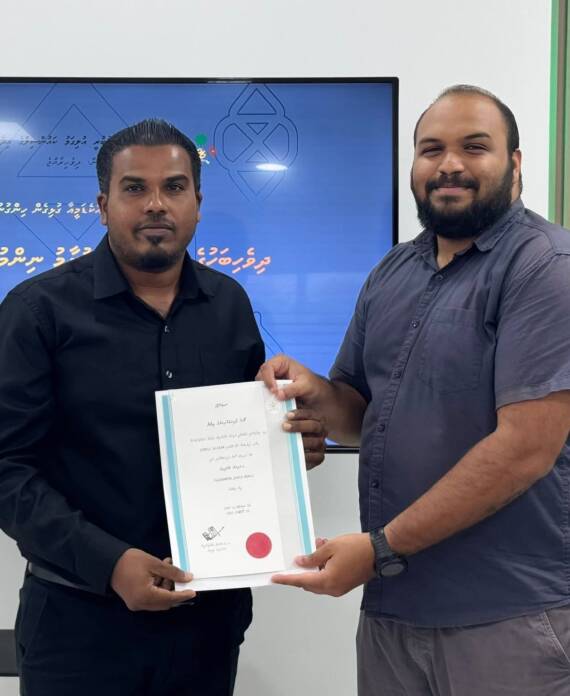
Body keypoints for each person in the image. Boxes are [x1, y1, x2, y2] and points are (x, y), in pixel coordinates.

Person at [259, 86, 570, 695]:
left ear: (515, 163)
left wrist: (378, 549)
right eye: (431, 150)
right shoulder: (393, 271)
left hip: (507, 617)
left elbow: (526, 449)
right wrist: (312, 392)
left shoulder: (545, 267)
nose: (449, 164)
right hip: (394, 612)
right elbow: (360, 414)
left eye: (474, 147)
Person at [0, 119, 324, 696]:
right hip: (77, 624)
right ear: (103, 206)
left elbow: (242, 439)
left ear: (197, 203)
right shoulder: (37, 311)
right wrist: (108, 562)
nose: (156, 204)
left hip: (206, 622)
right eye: (134, 188)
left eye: (174, 187)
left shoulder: (229, 304)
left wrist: (289, 447)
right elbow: (7, 470)